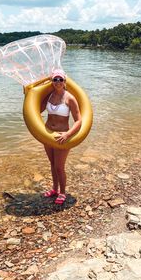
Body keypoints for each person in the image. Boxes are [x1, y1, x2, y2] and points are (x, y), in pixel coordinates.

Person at [41, 69, 82, 205]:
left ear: (64, 81)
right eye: (55, 79)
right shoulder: (49, 96)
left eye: (60, 79)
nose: (58, 82)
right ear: (52, 81)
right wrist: (27, 92)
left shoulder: (69, 98)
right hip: (48, 134)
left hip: (62, 136)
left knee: (59, 166)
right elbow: (37, 109)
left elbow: (78, 120)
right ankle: (54, 189)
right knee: (52, 165)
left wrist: (68, 134)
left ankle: (63, 192)